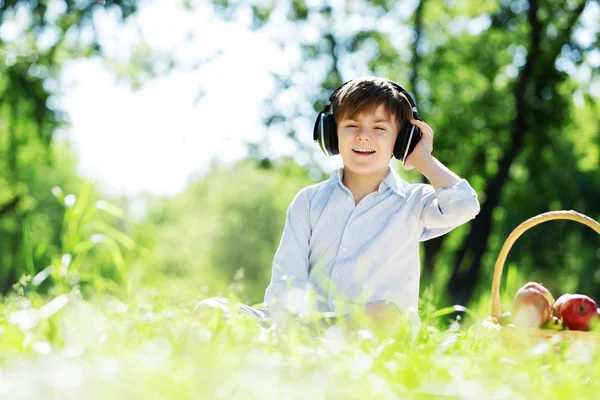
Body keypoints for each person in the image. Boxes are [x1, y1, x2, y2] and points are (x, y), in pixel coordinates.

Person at [195, 76, 480, 339]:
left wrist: (423, 159)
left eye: (380, 128)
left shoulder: (414, 202)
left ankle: (318, 351)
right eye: (352, 126)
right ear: (331, 135)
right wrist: (283, 327)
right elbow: (287, 279)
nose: (364, 136)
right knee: (211, 309)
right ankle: (306, 348)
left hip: (368, 330)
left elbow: (465, 206)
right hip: (304, 328)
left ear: (401, 140)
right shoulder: (309, 202)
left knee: (386, 314)